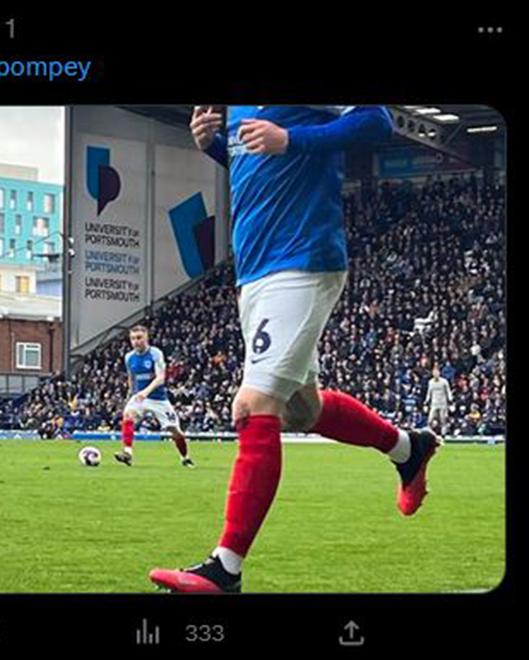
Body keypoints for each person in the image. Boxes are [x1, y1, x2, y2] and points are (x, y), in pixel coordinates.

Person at [149, 106, 441, 593]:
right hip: (255, 271)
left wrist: (292, 139)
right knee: (302, 411)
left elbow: (377, 120)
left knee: (253, 406)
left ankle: (225, 569)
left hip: (301, 259)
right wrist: (215, 146)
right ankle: (409, 448)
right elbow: (259, 163)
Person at [116, 326, 194, 467]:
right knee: (128, 415)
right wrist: (131, 393)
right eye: (133, 338)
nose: (136, 341)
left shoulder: (155, 353)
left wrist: (145, 392)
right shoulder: (129, 357)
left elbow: (160, 378)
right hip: (139, 397)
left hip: (158, 399)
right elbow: (131, 377)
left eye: (139, 338)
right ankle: (127, 453)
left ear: (146, 338)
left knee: (175, 431)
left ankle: (185, 458)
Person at [425, 366, 453, 435]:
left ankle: (443, 434)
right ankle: (430, 433)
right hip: (434, 403)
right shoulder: (430, 382)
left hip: (443, 403)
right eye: (434, 373)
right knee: (430, 420)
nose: (435, 374)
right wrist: (426, 402)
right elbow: (429, 392)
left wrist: (450, 400)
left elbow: (448, 391)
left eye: (437, 372)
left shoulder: (444, 381)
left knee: (443, 420)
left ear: (439, 373)